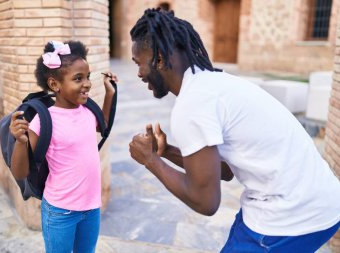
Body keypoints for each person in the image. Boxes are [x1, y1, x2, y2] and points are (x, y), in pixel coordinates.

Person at [128, 8, 340, 253]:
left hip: (292, 215)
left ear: (160, 60)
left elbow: (205, 202)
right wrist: (166, 152)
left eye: (139, 63)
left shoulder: (192, 105)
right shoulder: (211, 83)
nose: (139, 73)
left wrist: (151, 161)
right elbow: (225, 171)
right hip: (319, 200)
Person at [9, 40, 117, 253]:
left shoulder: (86, 112)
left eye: (87, 77)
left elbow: (103, 125)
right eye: (78, 78)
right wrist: (20, 143)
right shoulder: (43, 120)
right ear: (54, 84)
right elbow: (20, 172)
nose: (86, 83)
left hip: (91, 207)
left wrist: (110, 95)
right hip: (60, 211)